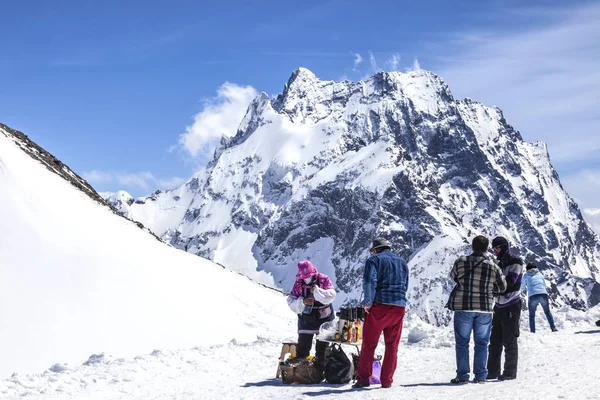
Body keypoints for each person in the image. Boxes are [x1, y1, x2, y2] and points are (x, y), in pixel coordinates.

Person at [447, 235, 507, 384]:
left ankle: (463, 376)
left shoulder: (461, 262)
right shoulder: (493, 266)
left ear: (472, 247)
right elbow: (502, 287)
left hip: (464, 307)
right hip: (484, 309)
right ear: (487, 249)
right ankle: (480, 376)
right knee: (481, 343)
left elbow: (453, 277)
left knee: (462, 343)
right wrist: (489, 289)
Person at [352, 238, 409, 389]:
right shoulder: (402, 262)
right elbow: (406, 284)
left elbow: (369, 281)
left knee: (369, 344)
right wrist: (400, 301)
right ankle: (387, 380)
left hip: (379, 306)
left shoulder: (374, 260)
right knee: (392, 345)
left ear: (376, 249)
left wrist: (368, 303)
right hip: (398, 308)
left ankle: (364, 378)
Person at [487, 236, 524, 381]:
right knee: (495, 340)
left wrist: (494, 288)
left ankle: (509, 372)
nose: (495, 252)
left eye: (496, 249)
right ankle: (492, 371)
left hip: (511, 304)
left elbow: (510, 283)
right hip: (499, 305)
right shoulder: (499, 263)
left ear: (503, 247)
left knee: (509, 339)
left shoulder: (515, 261)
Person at [287, 260, 336, 369]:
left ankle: (322, 370)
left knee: (323, 348)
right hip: (306, 320)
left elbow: (331, 295)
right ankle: (302, 371)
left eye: (308, 276)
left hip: (324, 319)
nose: (306, 279)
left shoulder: (323, 279)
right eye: (304, 277)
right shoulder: (298, 283)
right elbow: (291, 300)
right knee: (303, 347)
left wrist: (318, 292)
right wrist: (302, 302)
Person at [521, 262, 557, 333]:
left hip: (533, 295)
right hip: (543, 294)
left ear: (527, 269)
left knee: (532, 315)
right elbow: (544, 285)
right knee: (547, 311)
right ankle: (553, 327)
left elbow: (522, 286)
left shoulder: (526, 275)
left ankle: (533, 331)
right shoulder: (540, 274)